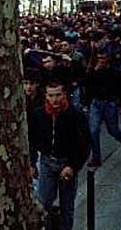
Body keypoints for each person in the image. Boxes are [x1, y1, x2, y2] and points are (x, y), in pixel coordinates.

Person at [30, 80, 91, 230]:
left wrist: (72, 165)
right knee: (44, 203)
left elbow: (85, 144)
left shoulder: (75, 115)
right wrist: (31, 163)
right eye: (51, 95)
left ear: (64, 95)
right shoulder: (38, 114)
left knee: (67, 205)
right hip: (46, 161)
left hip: (66, 162)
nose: (55, 99)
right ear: (46, 96)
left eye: (58, 95)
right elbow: (31, 140)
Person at [83, 51, 121, 168]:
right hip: (96, 103)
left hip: (110, 103)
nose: (101, 60)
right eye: (99, 57)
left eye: (103, 57)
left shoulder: (115, 72)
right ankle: (96, 157)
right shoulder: (93, 72)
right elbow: (87, 85)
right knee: (93, 130)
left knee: (113, 130)